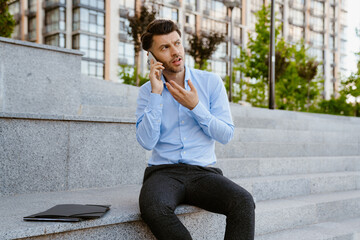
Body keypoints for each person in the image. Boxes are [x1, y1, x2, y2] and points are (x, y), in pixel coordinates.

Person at [136, 19, 255, 240]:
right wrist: (155, 94)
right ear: (151, 57)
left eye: (177, 43)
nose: (175, 51)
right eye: (165, 47)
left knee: (243, 201)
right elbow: (147, 142)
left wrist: (195, 107)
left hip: (203, 173)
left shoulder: (210, 82)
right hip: (163, 173)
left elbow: (226, 135)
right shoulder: (146, 92)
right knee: (153, 207)